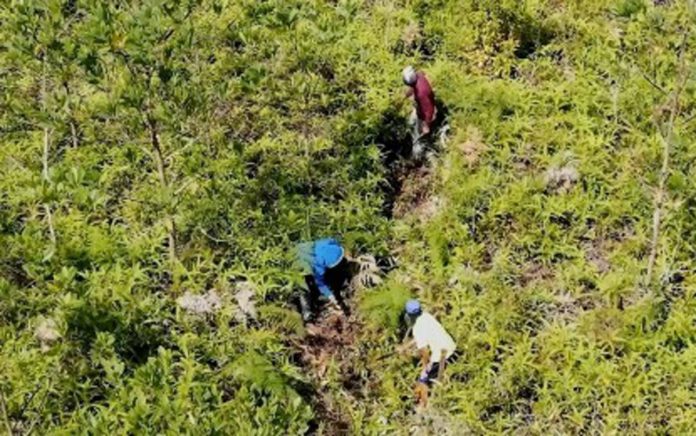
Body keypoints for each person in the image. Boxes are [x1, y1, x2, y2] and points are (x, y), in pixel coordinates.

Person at [401, 299, 456, 407]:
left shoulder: (417, 327)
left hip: (442, 356)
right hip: (452, 348)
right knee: (431, 377)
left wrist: (425, 368)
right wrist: (405, 347)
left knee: (423, 381)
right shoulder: (427, 316)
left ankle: (424, 408)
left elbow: (425, 352)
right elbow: (420, 337)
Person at [294, 238, 350, 322]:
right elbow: (321, 284)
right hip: (298, 263)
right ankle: (307, 313)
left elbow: (334, 241)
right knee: (303, 288)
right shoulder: (317, 266)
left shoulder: (328, 243)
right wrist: (331, 297)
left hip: (302, 247)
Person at [402, 66, 437, 158]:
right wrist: (406, 95)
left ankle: (420, 154)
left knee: (419, 135)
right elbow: (414, 86)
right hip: (420, 107)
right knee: (411, 122)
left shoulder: (422, 94)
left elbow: (429, 110)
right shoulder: (419, 75)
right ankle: (410, 133)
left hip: (424, 115)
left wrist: (426, 125)